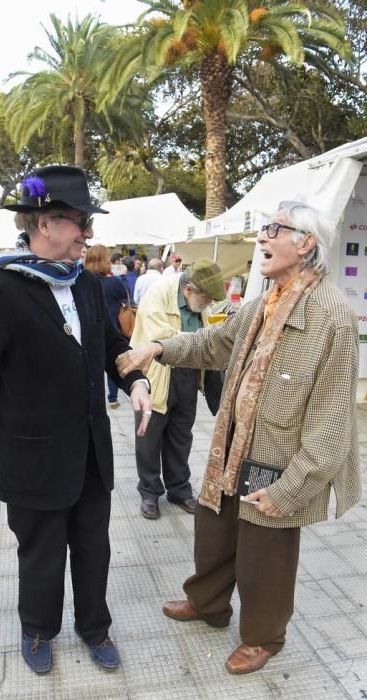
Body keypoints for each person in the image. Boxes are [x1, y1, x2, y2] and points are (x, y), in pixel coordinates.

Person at [116, 201, 361, 674]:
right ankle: (208, 604)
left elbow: (333, 422)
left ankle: (264, 635)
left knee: (264, 556)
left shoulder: (331, 316)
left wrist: (293, 488)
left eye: (273, 230)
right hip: (234, 445)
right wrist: (158, 347)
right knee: (215, 533)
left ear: (305, 244)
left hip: (279, 460)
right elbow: (214, 345)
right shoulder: (263, 303)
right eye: (263, 229)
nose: (261, 238)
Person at [0, 165, 151, 676]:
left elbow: (111, 347)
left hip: (90, 453)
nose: (89, 233)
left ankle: (94, 628)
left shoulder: (84, 284)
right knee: (41, 552)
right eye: (81, 221)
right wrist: (3, 430)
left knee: (94, 548)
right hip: (31, 457)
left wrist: (135, 381)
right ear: (46, 223)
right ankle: (37, 628)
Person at [129, 258, 226, 520]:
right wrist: (201, 340)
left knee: (181, 436)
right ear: (188, 290)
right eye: (206, 298)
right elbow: (157, 336)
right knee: (148, 437)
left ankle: (179, 489)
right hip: (157, 373)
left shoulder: (200, 301)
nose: (208, 304)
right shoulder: (159, 293)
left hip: (188, 374)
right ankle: (149, 492)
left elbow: (208, 333)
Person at [85, 244, 128, 409]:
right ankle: (112, 397)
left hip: (89, 330)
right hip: (111, 327)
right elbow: (125, 295)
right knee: (112, 358)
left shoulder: (82, 281)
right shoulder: (114, 281)